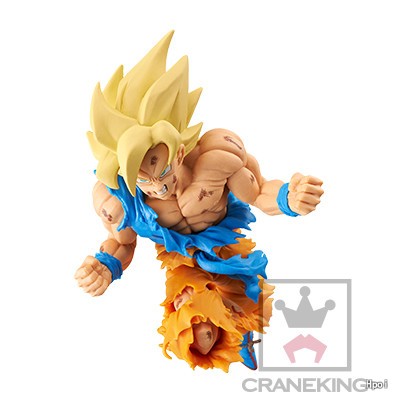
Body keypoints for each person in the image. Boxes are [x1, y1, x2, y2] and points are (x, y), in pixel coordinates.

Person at [75, 31, 324, 372]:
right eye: (142, 180)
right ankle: (225, 331)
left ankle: (242, 331)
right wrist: (105, 266)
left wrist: (289, 199)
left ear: (177, 151)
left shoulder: (216, 157)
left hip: (225, 244)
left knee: (247, 305)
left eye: (159, 170)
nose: (156, 188)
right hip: (181, 259)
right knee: (196, 332)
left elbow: (259, 191)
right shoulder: (119, 198)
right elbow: (122, 243)